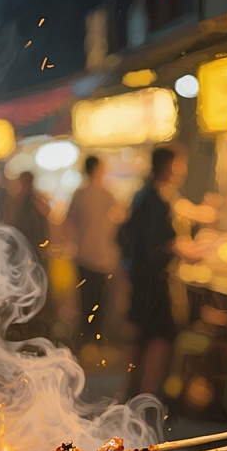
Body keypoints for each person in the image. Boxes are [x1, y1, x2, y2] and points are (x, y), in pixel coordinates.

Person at [121, 145, 183, 395]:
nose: (181, 171)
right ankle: (147, 393)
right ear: (168, 166)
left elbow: (125, 236)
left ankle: (132, 392)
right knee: (160, 335)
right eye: (179, 165)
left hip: (139, 277)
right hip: (153, 280)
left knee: (141, 335)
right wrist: (177, 249)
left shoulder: (143, 194)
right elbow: (156, 244)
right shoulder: (156, 199)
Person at [65, 155, 122, 343]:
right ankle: (93, 339)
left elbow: (68, 222)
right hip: (100, 257)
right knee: (100, 301)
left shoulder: (80, 194)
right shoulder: (106, 195)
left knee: (86, 299)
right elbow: (118, 222)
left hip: (83, 255)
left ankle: (85, 338)